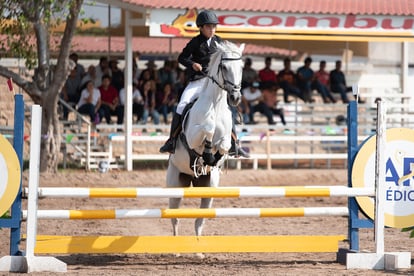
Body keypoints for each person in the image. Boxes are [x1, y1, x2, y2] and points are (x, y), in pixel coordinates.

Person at [159, 10, 249, 158]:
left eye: (214, 27)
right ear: (201, 27)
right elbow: (182, 58)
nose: (212, 30)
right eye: (208, 27)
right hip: (198, 81)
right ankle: (172, 140)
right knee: (182, 105)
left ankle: (234, 144)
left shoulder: (219, 42)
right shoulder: (195, 42)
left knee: (227, 109)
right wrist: (192, 63)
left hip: (215, 83)